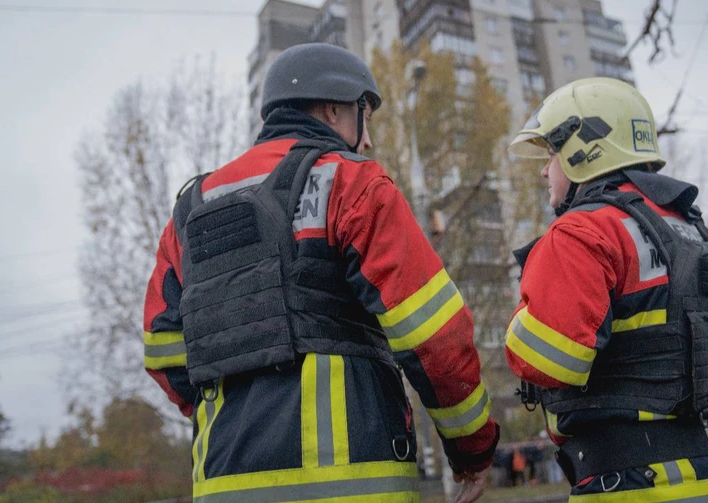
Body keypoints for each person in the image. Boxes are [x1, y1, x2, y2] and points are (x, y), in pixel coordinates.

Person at [143, 43, 499, 503]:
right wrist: (472, 449)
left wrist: (234, 409)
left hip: (223, 484)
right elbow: (435, 336)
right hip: (354, 483)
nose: (368, 141)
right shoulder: (353, 183)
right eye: (365, 116)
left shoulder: (188, 213)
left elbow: (164, 352)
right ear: (334, 109)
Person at [504, 78, 708, 501]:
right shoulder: (689, 228)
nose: (545, 170)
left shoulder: (582, 231)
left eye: (551, 154)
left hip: (634, 480)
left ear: (584, 150)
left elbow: (546, 358)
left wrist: (521, 315)